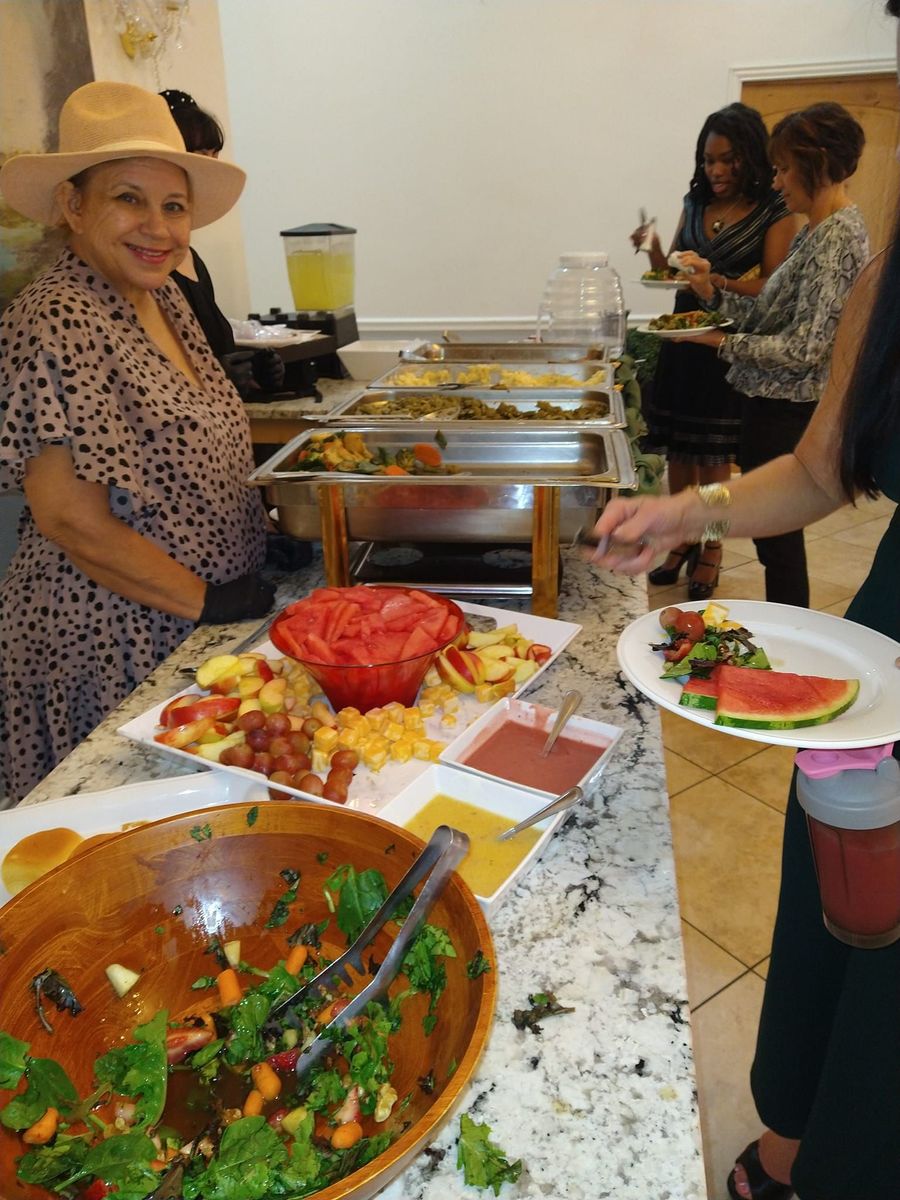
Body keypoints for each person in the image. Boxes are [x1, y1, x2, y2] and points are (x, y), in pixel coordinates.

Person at [589, 58, 899, 1200]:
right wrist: (685, 508)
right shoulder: (886, 274)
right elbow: (821, 465)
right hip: (890, 655)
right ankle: (802, 1145)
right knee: (849, 920)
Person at [0, 81, 273, 805]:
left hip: (186, 630)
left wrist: (261, 531)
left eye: (174, 206)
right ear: (73, 206)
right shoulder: (56, 317)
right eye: (129, 198)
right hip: (108, 639)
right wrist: (206, 601)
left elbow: (193, 451)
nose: (158, 227)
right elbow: (69, 518)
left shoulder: (164, 296)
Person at [673, 102, 868, 607]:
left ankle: (791, 640)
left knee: (778, 543)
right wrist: (712, 295)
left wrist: (717, 341)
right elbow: (769, 313)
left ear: (817, 163)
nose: (777, 182)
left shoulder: (838, 237)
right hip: (762, 399)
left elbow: (806, 348)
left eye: (782, 169)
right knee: (771, 541)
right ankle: (691, 546)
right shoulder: (814, 230)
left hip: (789, 410)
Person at [633, 103, 797, 600]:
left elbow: (772, 287)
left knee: (713, 462)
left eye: (728, 160)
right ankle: (681, 539)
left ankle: (711, 547)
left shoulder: (776, 210)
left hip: (726, 344)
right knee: (680, 453)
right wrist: (655, 247)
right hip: (680, 337)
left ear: (750, 155)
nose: (717, 171)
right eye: (708, 161)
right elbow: (674, 270)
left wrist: (715, 280)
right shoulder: (696, 202)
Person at [159, 88, 284, 399]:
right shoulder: (145, 268)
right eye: (201, 157)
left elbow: (208, 347)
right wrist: (215, 373)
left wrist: (255, 367)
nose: (213, 170)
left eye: (215, 156)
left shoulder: (192, 260)